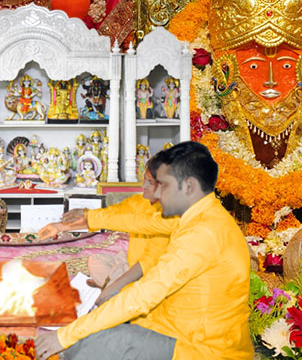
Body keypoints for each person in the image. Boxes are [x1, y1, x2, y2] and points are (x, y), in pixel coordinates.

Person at [36, 141, 253, 360]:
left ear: (188, 186)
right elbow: (137, 221)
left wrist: (65, 336)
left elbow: (145, 293)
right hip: (175, 327)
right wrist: (85, 219)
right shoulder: (199, 215)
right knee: (94, 331)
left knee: (98, 342)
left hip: (202, 349)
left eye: (164, 185)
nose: (156, 193)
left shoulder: (203, 233)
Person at [39, 158, 175, 303]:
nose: (143, 185)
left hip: (149, 275)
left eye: (150, 182)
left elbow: (147, 262)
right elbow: (111, 215)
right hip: (129, 263)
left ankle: (114, 290)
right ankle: (113, 287)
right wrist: (59, 227)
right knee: (96, 261)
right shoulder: (139, 202)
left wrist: (112, 288)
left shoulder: (168, 215)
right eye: (144, 179)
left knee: (127, 287)